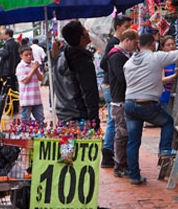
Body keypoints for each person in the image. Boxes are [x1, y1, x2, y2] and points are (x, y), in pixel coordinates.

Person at [123, 33, 178, 185]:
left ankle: (134, 176)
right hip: (147, 104)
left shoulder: (129, 63)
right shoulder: (156, 57)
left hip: (129, 104)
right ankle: (164, 149)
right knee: (167, 121)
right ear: (152, 44)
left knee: (133, 142)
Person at [50, 20, 100, 126]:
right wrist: (94, 120)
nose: (87, 31)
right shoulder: (83, 62)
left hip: (63, 115)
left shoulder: (61, 58)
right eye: (84, 30)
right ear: (81, 38)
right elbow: (89, 93)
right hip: (80, 118)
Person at [99, 14, 132, 168]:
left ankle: (111, 153)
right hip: (112, 87)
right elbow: (104, 63)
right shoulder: (114, 44)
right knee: (114, 122)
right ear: (118, 27)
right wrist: (114, 71)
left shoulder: (118, 43)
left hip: (112, 86)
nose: (128, 30)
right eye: (126, 27)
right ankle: (108, 154)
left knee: (115, 121)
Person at [106, 29, 139, 178]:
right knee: (122, 133)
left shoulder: (122, 55)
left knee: (124, 133)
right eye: (135, 43)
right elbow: (122, 78)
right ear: (128, 40)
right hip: (119, 99)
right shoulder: (117, 56)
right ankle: (120, 164)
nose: (135, 46)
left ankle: (123, 162)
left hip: (123, 98)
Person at [16, 45, 45, 123]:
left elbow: (41, 78)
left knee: (40, 120)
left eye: (30, 54)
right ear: (21, 56)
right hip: (26, 100)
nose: (29, 56)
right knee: (26, 121)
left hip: (36, 98)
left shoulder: (34, 64)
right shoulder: (20, 66)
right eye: (26, 55)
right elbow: (25, 80)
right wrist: (33, 69)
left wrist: (36, 69)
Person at [0, 28, 21, 97]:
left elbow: (5, 54)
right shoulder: (16, 44)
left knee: (8, 87)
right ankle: (15, 102)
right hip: (15, 68)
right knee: (14, 86)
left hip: (7, 69)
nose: (2, 36)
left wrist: (0, 51)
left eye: (3, 34)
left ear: (7, 35)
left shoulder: (7, 44)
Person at [159, 35, 178, 112]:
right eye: (168, 45)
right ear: (163, 48)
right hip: (165, 97)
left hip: (177, 97)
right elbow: (162, 80)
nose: (171, 46)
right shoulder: (161, 62)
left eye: (173, 44)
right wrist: (175, 76)